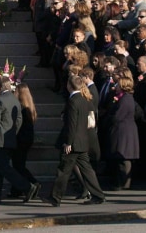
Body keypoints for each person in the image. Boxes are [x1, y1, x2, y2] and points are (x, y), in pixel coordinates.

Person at [43, 75, 105, 206]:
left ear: (69, 86)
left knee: (63, 170)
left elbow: (72, 124)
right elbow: (87, 122)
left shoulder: (73, 101)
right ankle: (98, 195)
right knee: (87, 170)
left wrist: (68, 143)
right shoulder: (85, 99)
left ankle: (55, 197)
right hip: (83, 141)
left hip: (74, 143)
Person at [0, 76, 40, 204]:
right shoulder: (16, 101)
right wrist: (13, 132)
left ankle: (27, 186)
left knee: (3, 168)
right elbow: (18, 120)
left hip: (1, 139)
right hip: (11, 138)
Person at [104, 68, 140, 190]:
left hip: (124, 131)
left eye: (118, 85)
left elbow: (118, 115)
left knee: (124, 158)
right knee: (120, 158)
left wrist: (110, 117)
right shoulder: (123, 97)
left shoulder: (126, 98)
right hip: (122, 130)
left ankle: (123, 183)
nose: (116, 86)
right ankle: (121, 182)